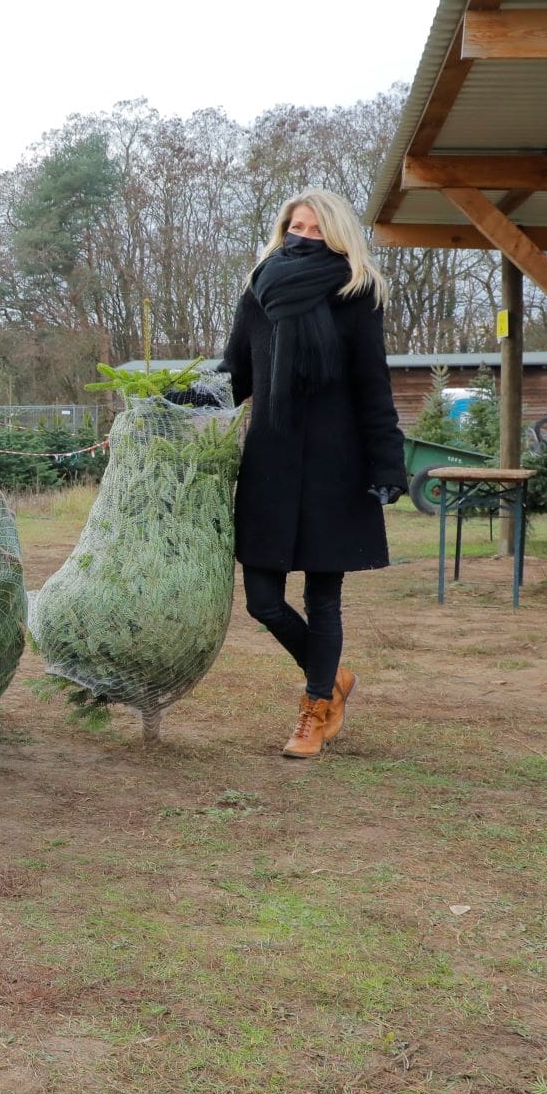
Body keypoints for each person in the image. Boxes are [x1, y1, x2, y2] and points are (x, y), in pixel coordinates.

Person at [217, 188, 405, 759]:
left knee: (324, 600)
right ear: (283, 230)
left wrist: (386, 462)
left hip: (335, 466)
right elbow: (235, 375)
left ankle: (316, 705)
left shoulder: (357, 293)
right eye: (295, 227)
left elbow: (374, 387)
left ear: (338, 235)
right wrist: (179, 401)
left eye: (316, 230)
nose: (303, 236)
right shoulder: (259, 291)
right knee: (263, 601)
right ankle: (333, 677)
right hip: (271, 461)